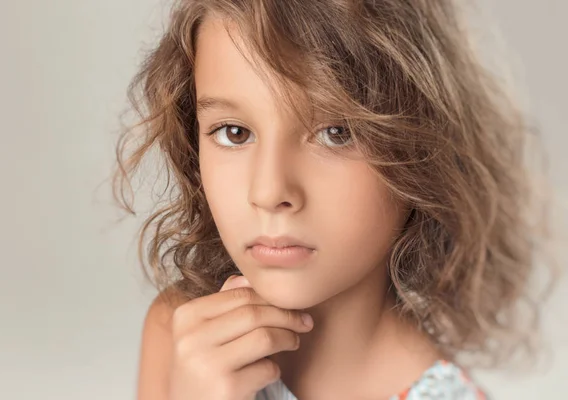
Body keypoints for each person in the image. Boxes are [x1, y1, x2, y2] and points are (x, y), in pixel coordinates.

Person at [113, 0, 552, 398]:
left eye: (336, 133)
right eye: (235, 132)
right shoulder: (183, 330)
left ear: (422, 149)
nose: (269, 192)